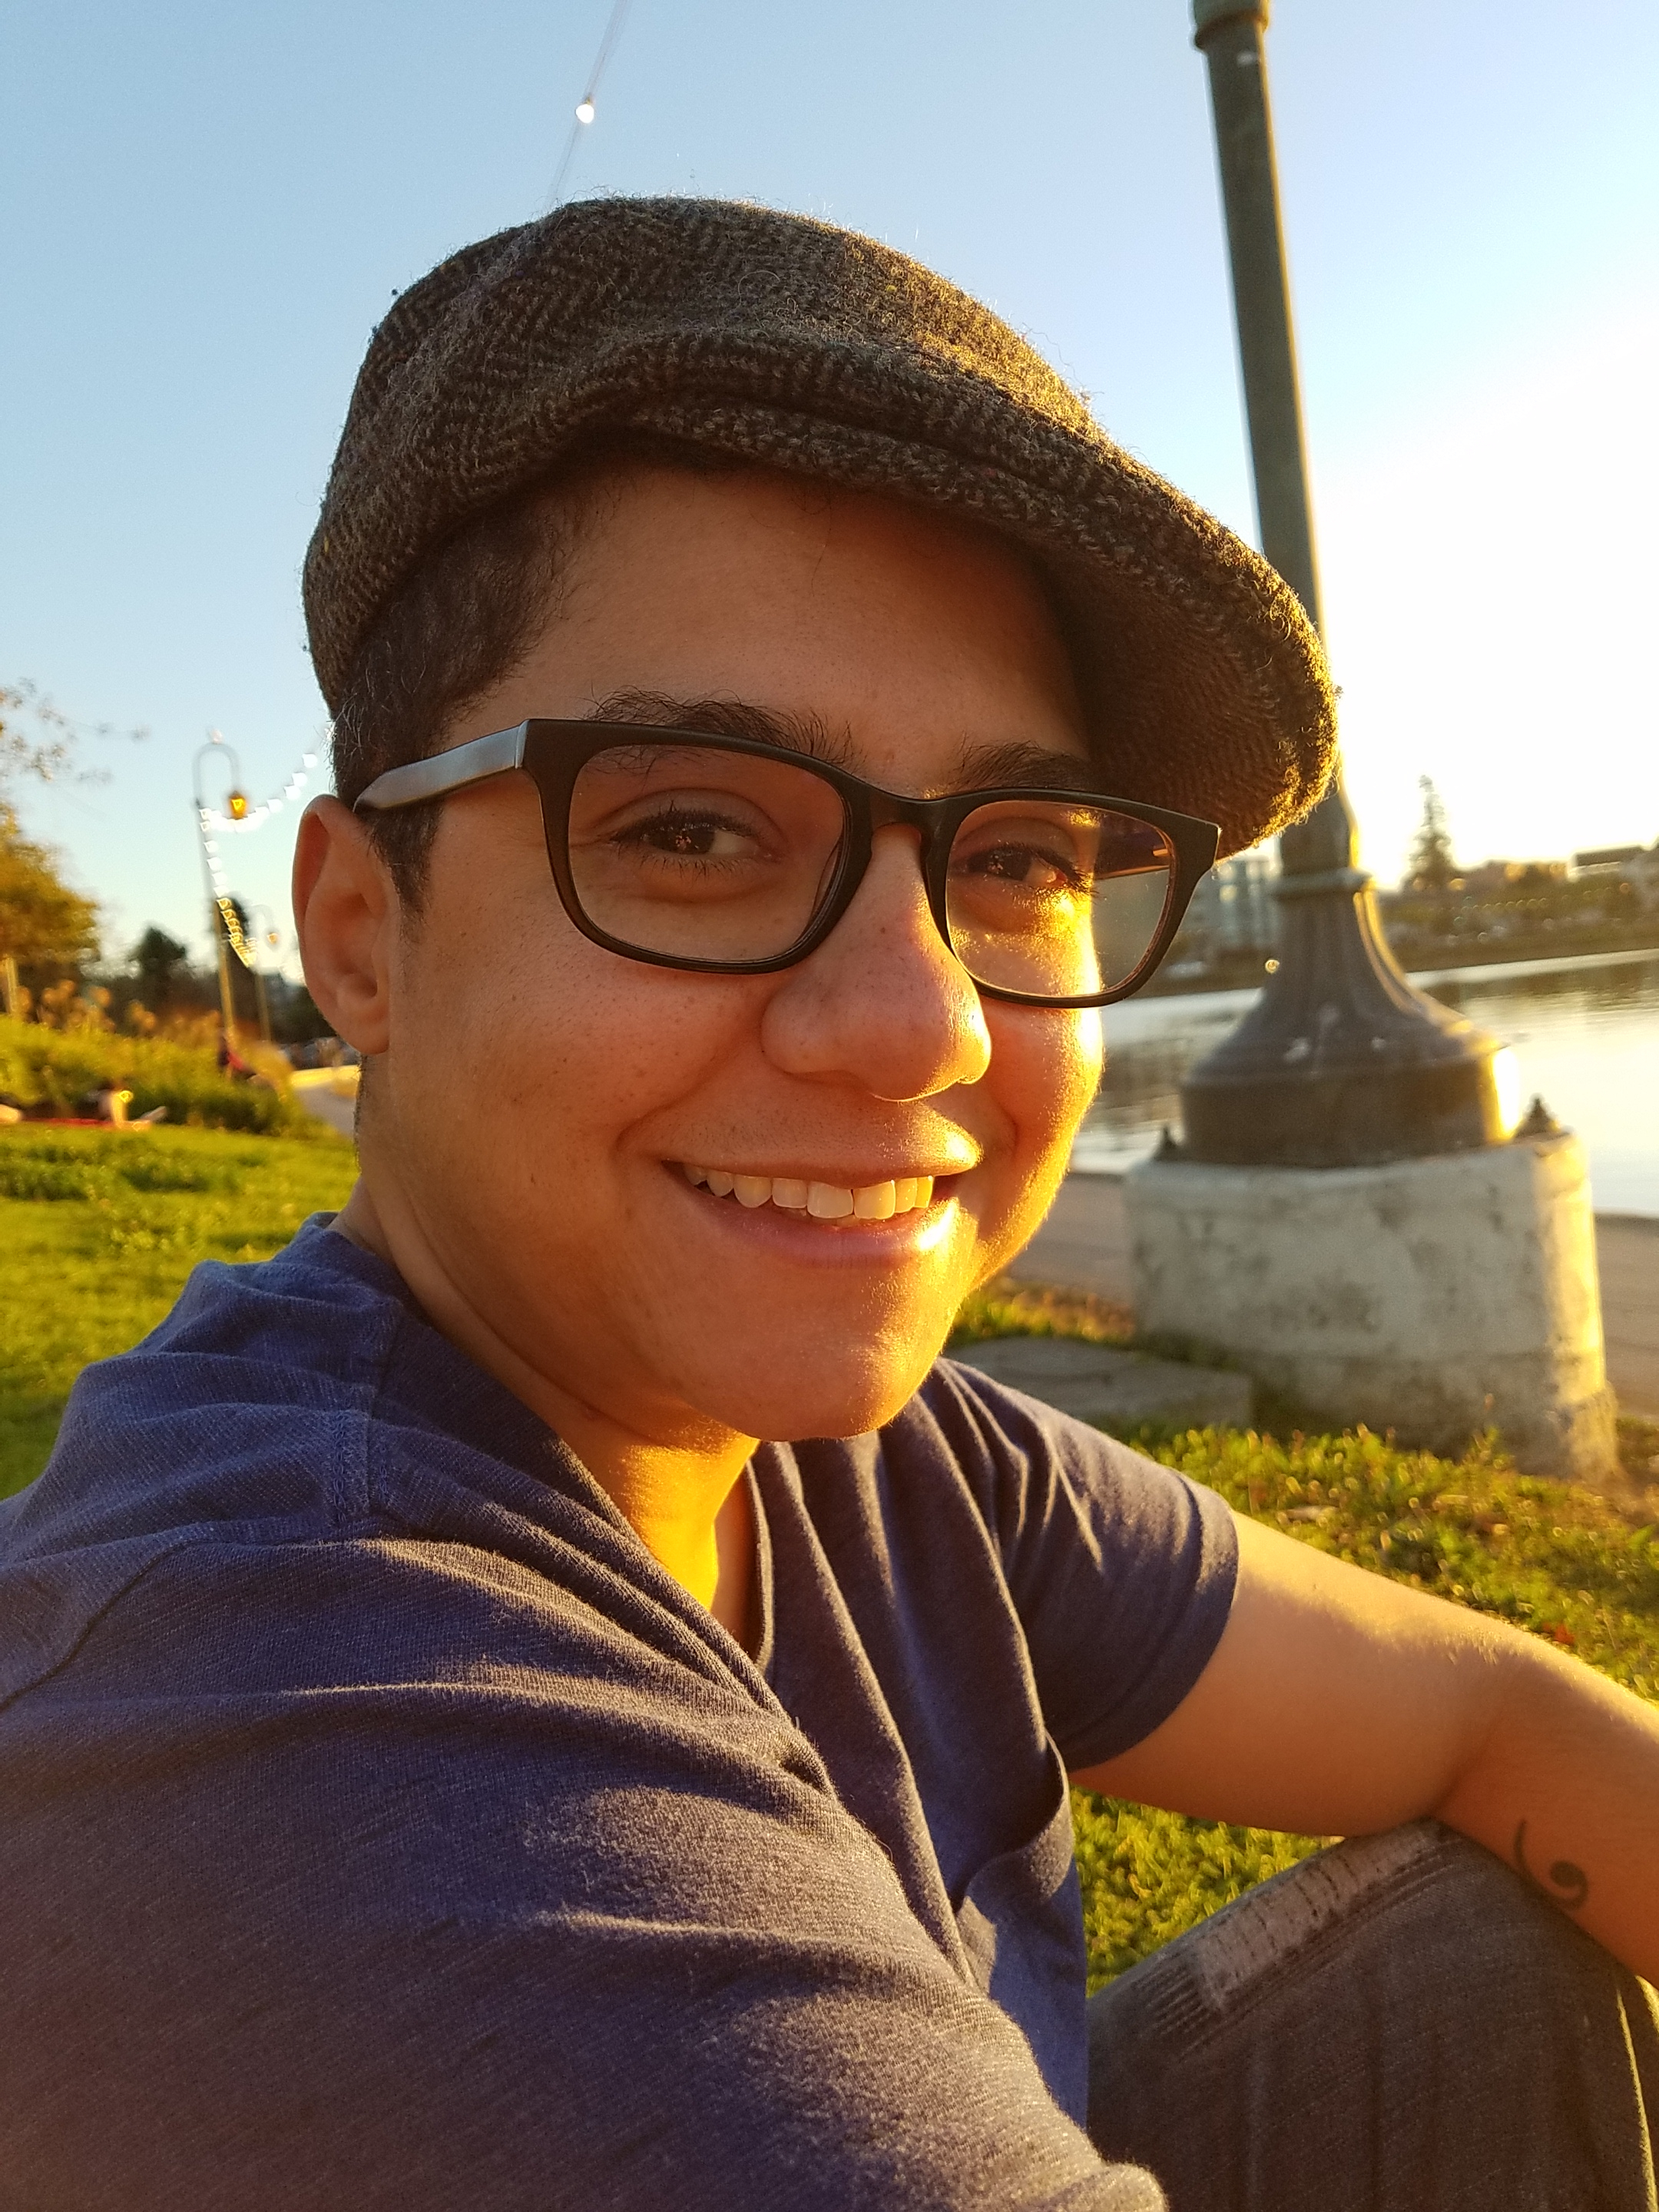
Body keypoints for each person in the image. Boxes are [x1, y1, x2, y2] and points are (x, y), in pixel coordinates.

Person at [1, 198, 1654, 2212]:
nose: (925, 1023)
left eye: (1022, 852)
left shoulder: (884, 1466)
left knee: (1475, 1967)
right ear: (361, 936)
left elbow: (1503, 1718)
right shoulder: (314, 1757)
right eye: (693, 826)